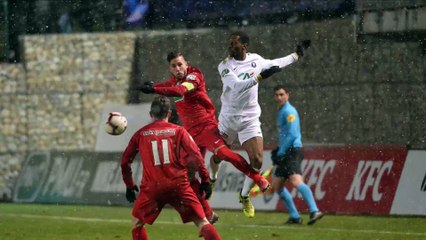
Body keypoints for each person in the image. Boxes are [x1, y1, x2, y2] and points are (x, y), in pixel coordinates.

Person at [139, 52, 271, 220]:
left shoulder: (195, 75)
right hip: (190, 133)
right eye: (174, 66)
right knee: (187, 175)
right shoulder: (172, 81)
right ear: (169, 68)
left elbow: (180, 90)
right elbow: (170, 86)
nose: (178, 68)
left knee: (223, 154)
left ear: (186, 63)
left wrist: (154, 89)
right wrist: (151, 87)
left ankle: (257, 179)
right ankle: (208, 213)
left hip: (206, 128)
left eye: (180, 64)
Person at [212, 30, 311, 218]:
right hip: (229, 119)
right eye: (229, 43)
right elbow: (237, 86)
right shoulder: (225, 65)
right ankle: (212, 176)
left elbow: (276, 63)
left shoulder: (256, 60)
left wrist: (296, 55)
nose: (230, 46)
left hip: (249, 118)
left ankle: (244, 195)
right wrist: (260, 77)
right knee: (219, 156)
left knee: (257, 160)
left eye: (234, 43)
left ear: (244, 46)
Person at [120, 96, 221, 240]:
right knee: (202, 221)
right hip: (179, 185)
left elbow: (125, 162)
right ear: (169, 114)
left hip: (152, 187)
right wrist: (205, 180)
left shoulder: (140, 134)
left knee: (137, 223)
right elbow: (196, 156)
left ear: (150, 114)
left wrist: (129, 185)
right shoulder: (179, 131)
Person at [271, 85, 324, 225]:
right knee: (277, 185)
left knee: (295, 180)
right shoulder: (282, 111)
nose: (279, 97)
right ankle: (295, 216)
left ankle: (314, 210)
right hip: (285, 151)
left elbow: (293, 134)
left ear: (288, 95)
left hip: (292, 151)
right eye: (276, 95)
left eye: (282, 94)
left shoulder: (289, 111)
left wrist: (281, 151)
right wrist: (279, 150)